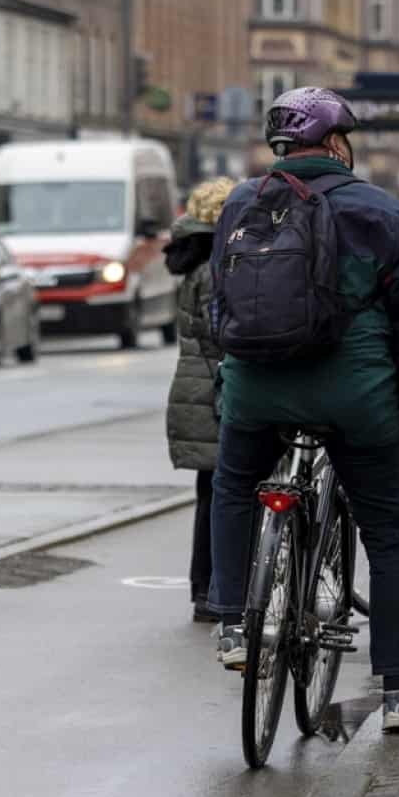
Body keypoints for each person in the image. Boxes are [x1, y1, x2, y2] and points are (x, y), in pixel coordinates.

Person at [208, 88, 399, 733]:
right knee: (391, 535)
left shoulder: (239, 203)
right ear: (339, 144)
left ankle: (233, 621)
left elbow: (216, 306)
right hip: (355, 397)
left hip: (258, 389)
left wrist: (231, 386)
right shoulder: (379, 212)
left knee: (233, 484)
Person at [164, 177, 236, 623]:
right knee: (222, 495)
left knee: (210, 495)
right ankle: (211, 591)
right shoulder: (215, 267)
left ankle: (204, 589)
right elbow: (220, 333)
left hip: (196, 390)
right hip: (214, 393)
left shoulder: (196, 262)